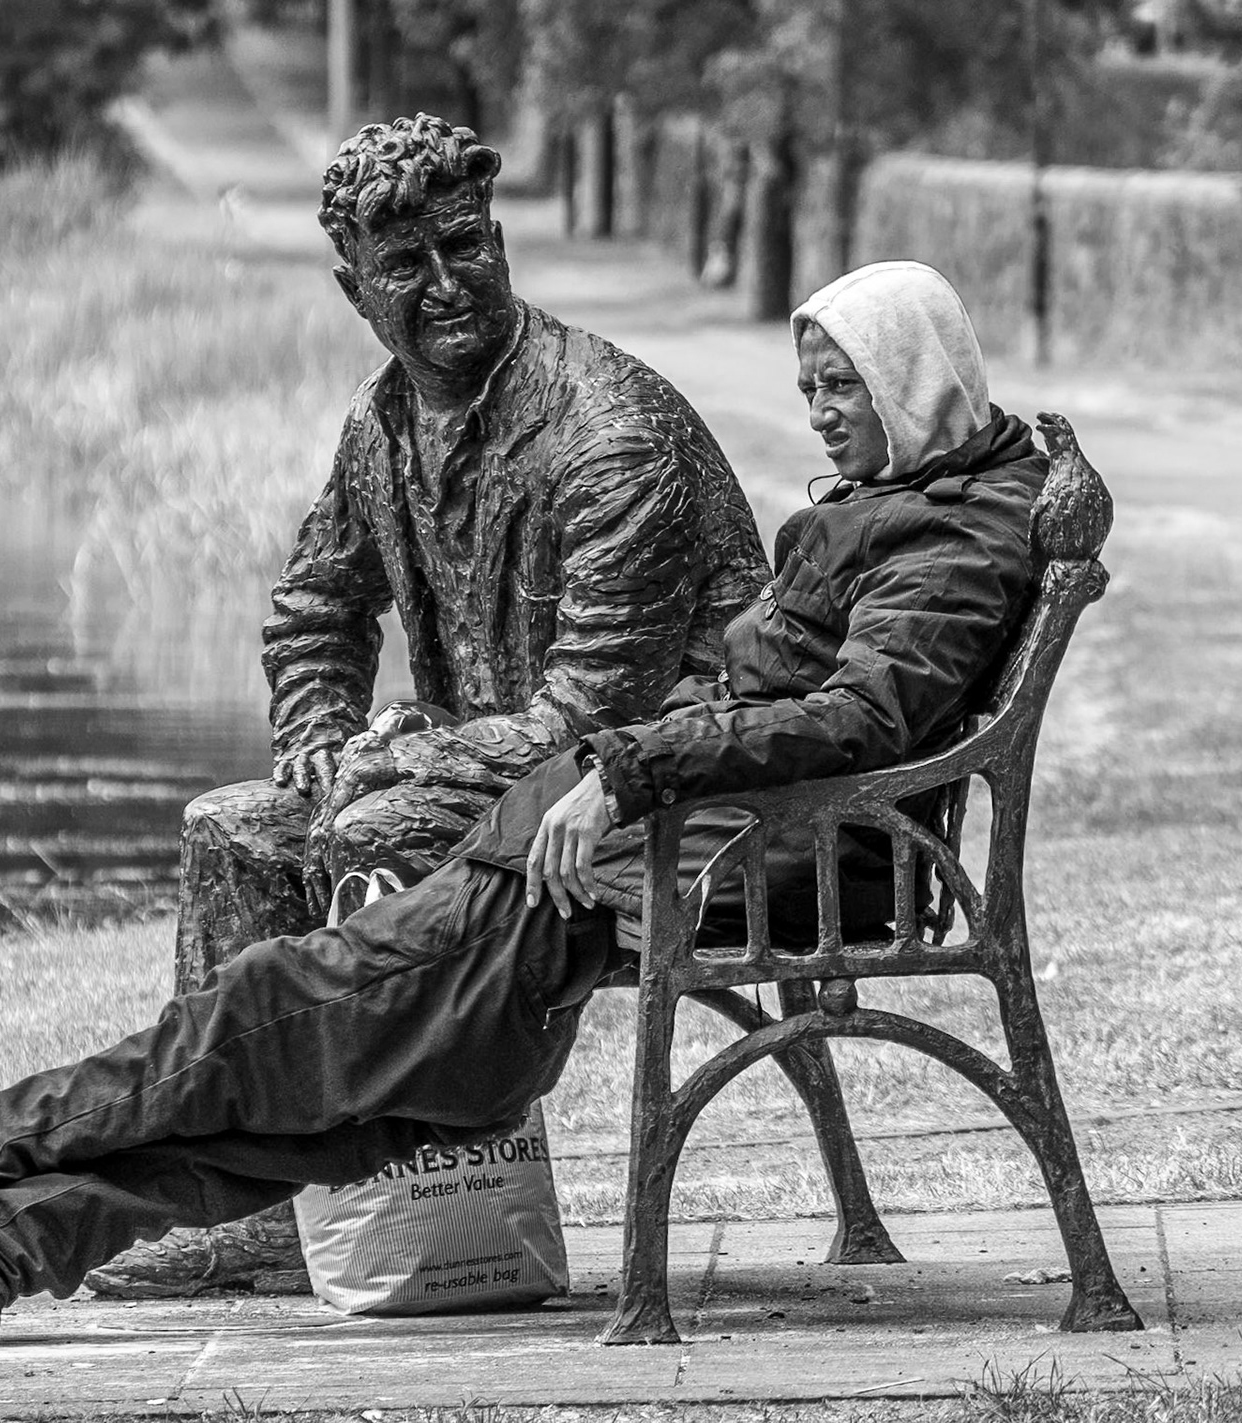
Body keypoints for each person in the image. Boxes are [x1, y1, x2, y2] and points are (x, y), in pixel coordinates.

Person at [0, 259, 1046, 1347]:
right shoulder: (912, 500)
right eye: (809, 383)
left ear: (915, 376)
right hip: (671, 849)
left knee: (266, 1019)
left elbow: (864, 720)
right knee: (349, 1097)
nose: (819, 409)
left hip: (730, 860)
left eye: (843, 386)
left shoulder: (941, 535)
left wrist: (631, 766)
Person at [123, 110, 768, 1295]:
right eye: (405, 266)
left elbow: (594, 712)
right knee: (235, 828)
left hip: (669, 809)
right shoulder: (380, 425)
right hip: (505, 783)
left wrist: (403, 766)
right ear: (353, 288)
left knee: (373, 825)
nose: (446, 283)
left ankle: (408, 1197)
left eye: (464, 246)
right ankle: (253, 1203)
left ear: (500, 238)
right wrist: (320, 732)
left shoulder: (609, 437)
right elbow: (318, 607)